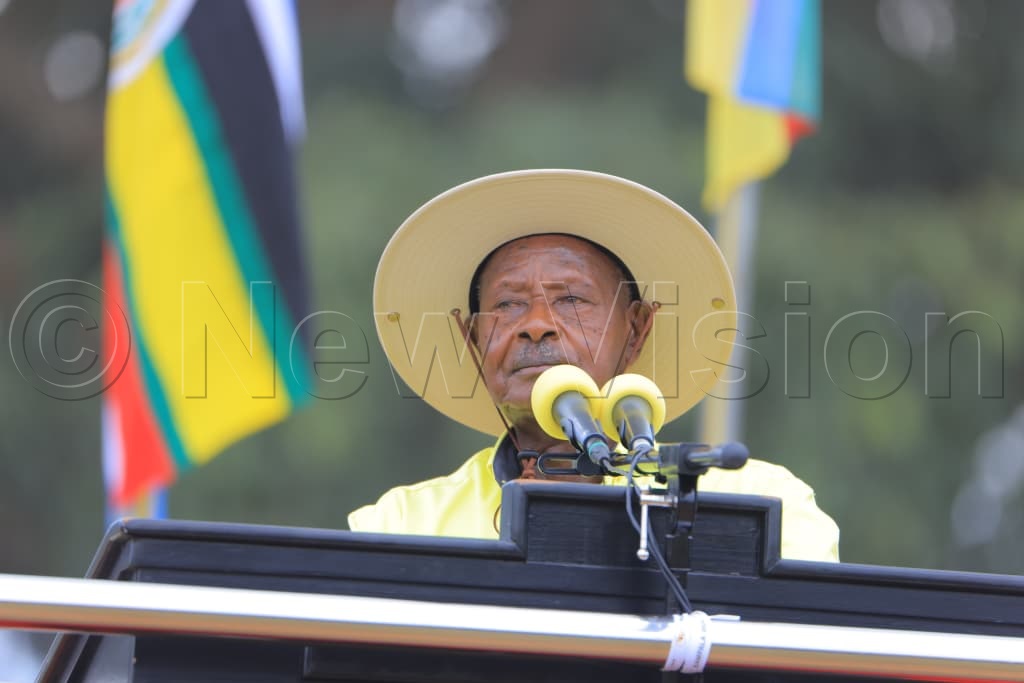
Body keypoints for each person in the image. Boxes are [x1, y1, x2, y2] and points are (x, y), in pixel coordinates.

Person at [349, 169, 839, 562]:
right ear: (472, 341)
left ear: (637, 328)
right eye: (507, 304)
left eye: (570, 299)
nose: (537, 324)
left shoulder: (765, 504)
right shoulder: (397, 525)